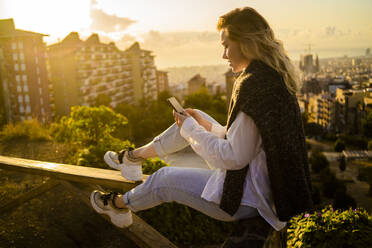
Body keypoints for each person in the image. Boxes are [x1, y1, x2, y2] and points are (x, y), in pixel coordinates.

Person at [90, 6, 313, 244]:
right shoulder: (272, 76)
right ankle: (133, 159)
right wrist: (202, 125)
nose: (224, 55)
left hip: (247, 198)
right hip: (263, 187)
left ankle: (118, 206)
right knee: (192, 119)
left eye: (226, 45)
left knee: (164, 178)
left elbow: (234, 157)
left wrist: (191, 130)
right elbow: (249, 139)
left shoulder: (252, 83)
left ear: (247, 43)